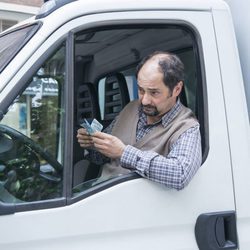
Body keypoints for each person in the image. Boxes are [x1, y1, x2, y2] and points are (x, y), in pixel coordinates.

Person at [77, 51, 202, 190]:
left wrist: (124, 153)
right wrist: (92, 144)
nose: (144, 100)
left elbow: (180, 174)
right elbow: (100, 158)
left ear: (177, 89)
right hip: (98, 198)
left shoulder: (187, 127)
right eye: (141, 90)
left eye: (154, 92)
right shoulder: (130, 109)